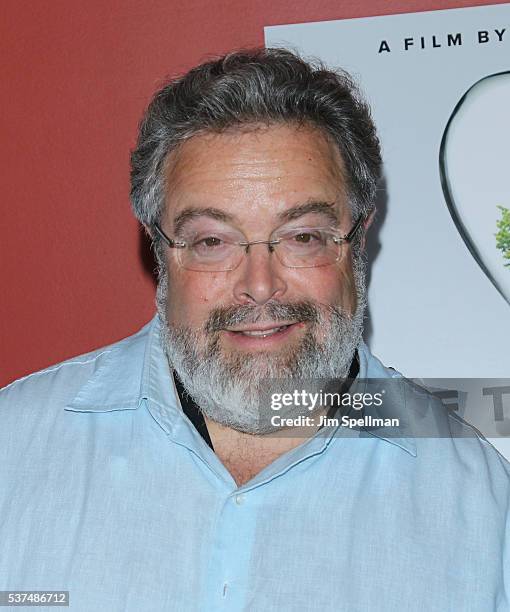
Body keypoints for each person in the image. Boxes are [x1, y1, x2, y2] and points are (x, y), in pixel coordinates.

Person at [0, 48, 508, 612]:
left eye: (301, 237)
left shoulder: (480, 505)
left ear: (358, 238)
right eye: (213, 241)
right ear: (160, 248)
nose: (260, 286)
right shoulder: (14, 449)